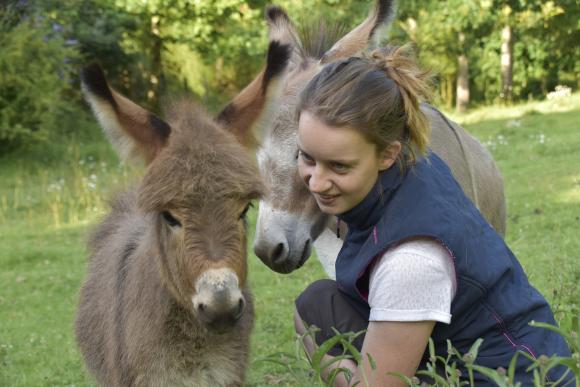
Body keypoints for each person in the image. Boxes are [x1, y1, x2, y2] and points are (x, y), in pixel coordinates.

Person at [293, 45, 573, 386]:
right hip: (495, 352)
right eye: (307, 157)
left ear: (387, 155)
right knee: (314, 306)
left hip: (513, 378)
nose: (317, 182)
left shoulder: (411, 261)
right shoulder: (415, 164)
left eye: (339, 165)